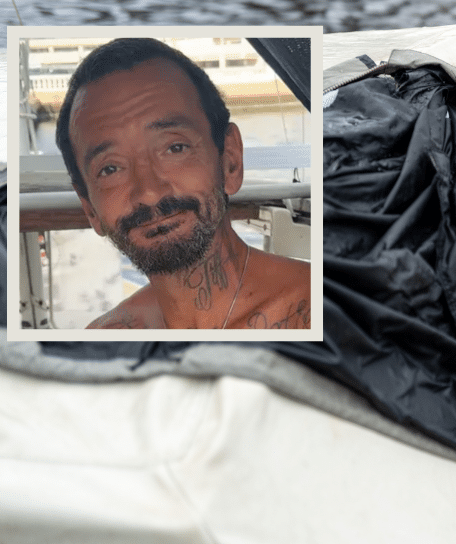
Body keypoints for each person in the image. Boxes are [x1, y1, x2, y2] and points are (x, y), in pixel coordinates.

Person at [55, 38, 310, 330]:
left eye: (175, 148)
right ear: (89, 209)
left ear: (230, 161)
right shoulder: (101, 344)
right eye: (110, 169)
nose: (149, 192)